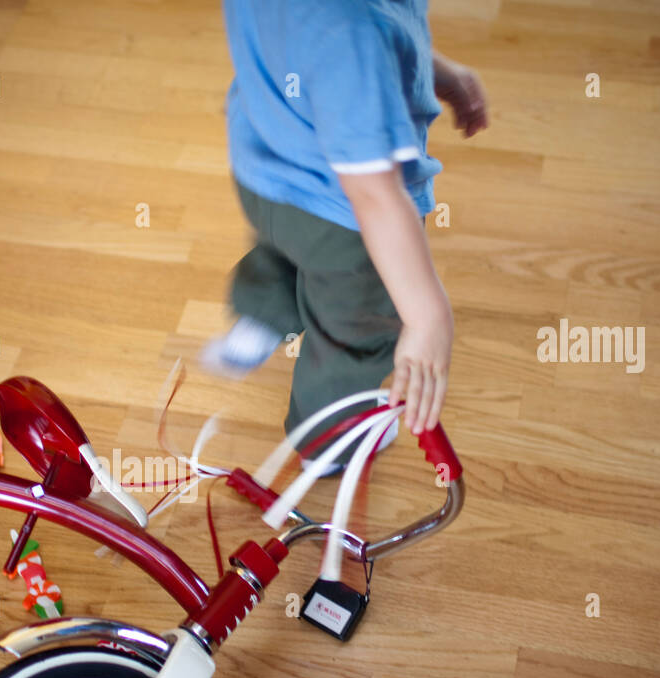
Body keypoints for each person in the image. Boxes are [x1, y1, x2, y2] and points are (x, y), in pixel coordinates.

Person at [205, 0, 488, 458]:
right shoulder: (351, 28)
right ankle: (329, 442)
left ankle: (263, 313)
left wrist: (435, 70)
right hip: (343, 220)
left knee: (283, 246)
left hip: (262, 166)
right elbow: (373, 194)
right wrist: (426, 313)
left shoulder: (343, 23)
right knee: (353, 325)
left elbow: (336, 44)